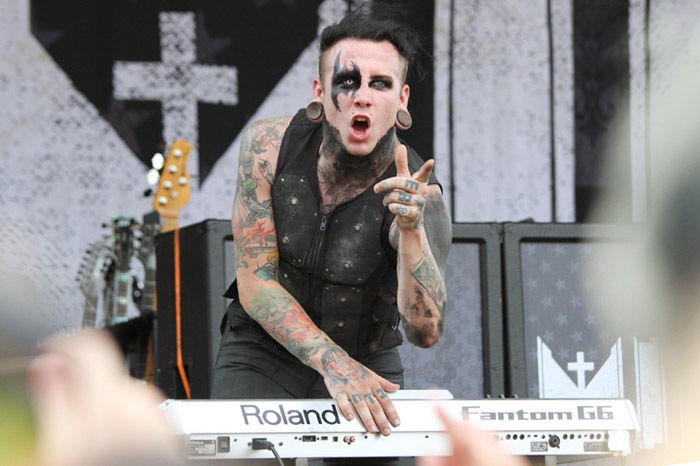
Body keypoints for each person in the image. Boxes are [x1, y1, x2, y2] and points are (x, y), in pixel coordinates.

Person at [211, 6, 452, 441]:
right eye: (348, 81)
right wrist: (333, 364)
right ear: (320, 92)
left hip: (367, 357)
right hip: (263, 349)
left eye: (380, 83)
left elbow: (426, 332)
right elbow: (256, 282)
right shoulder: (267, 145)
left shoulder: (419, 190)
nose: (362, 96)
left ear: (402, 100)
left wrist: (412, 232)